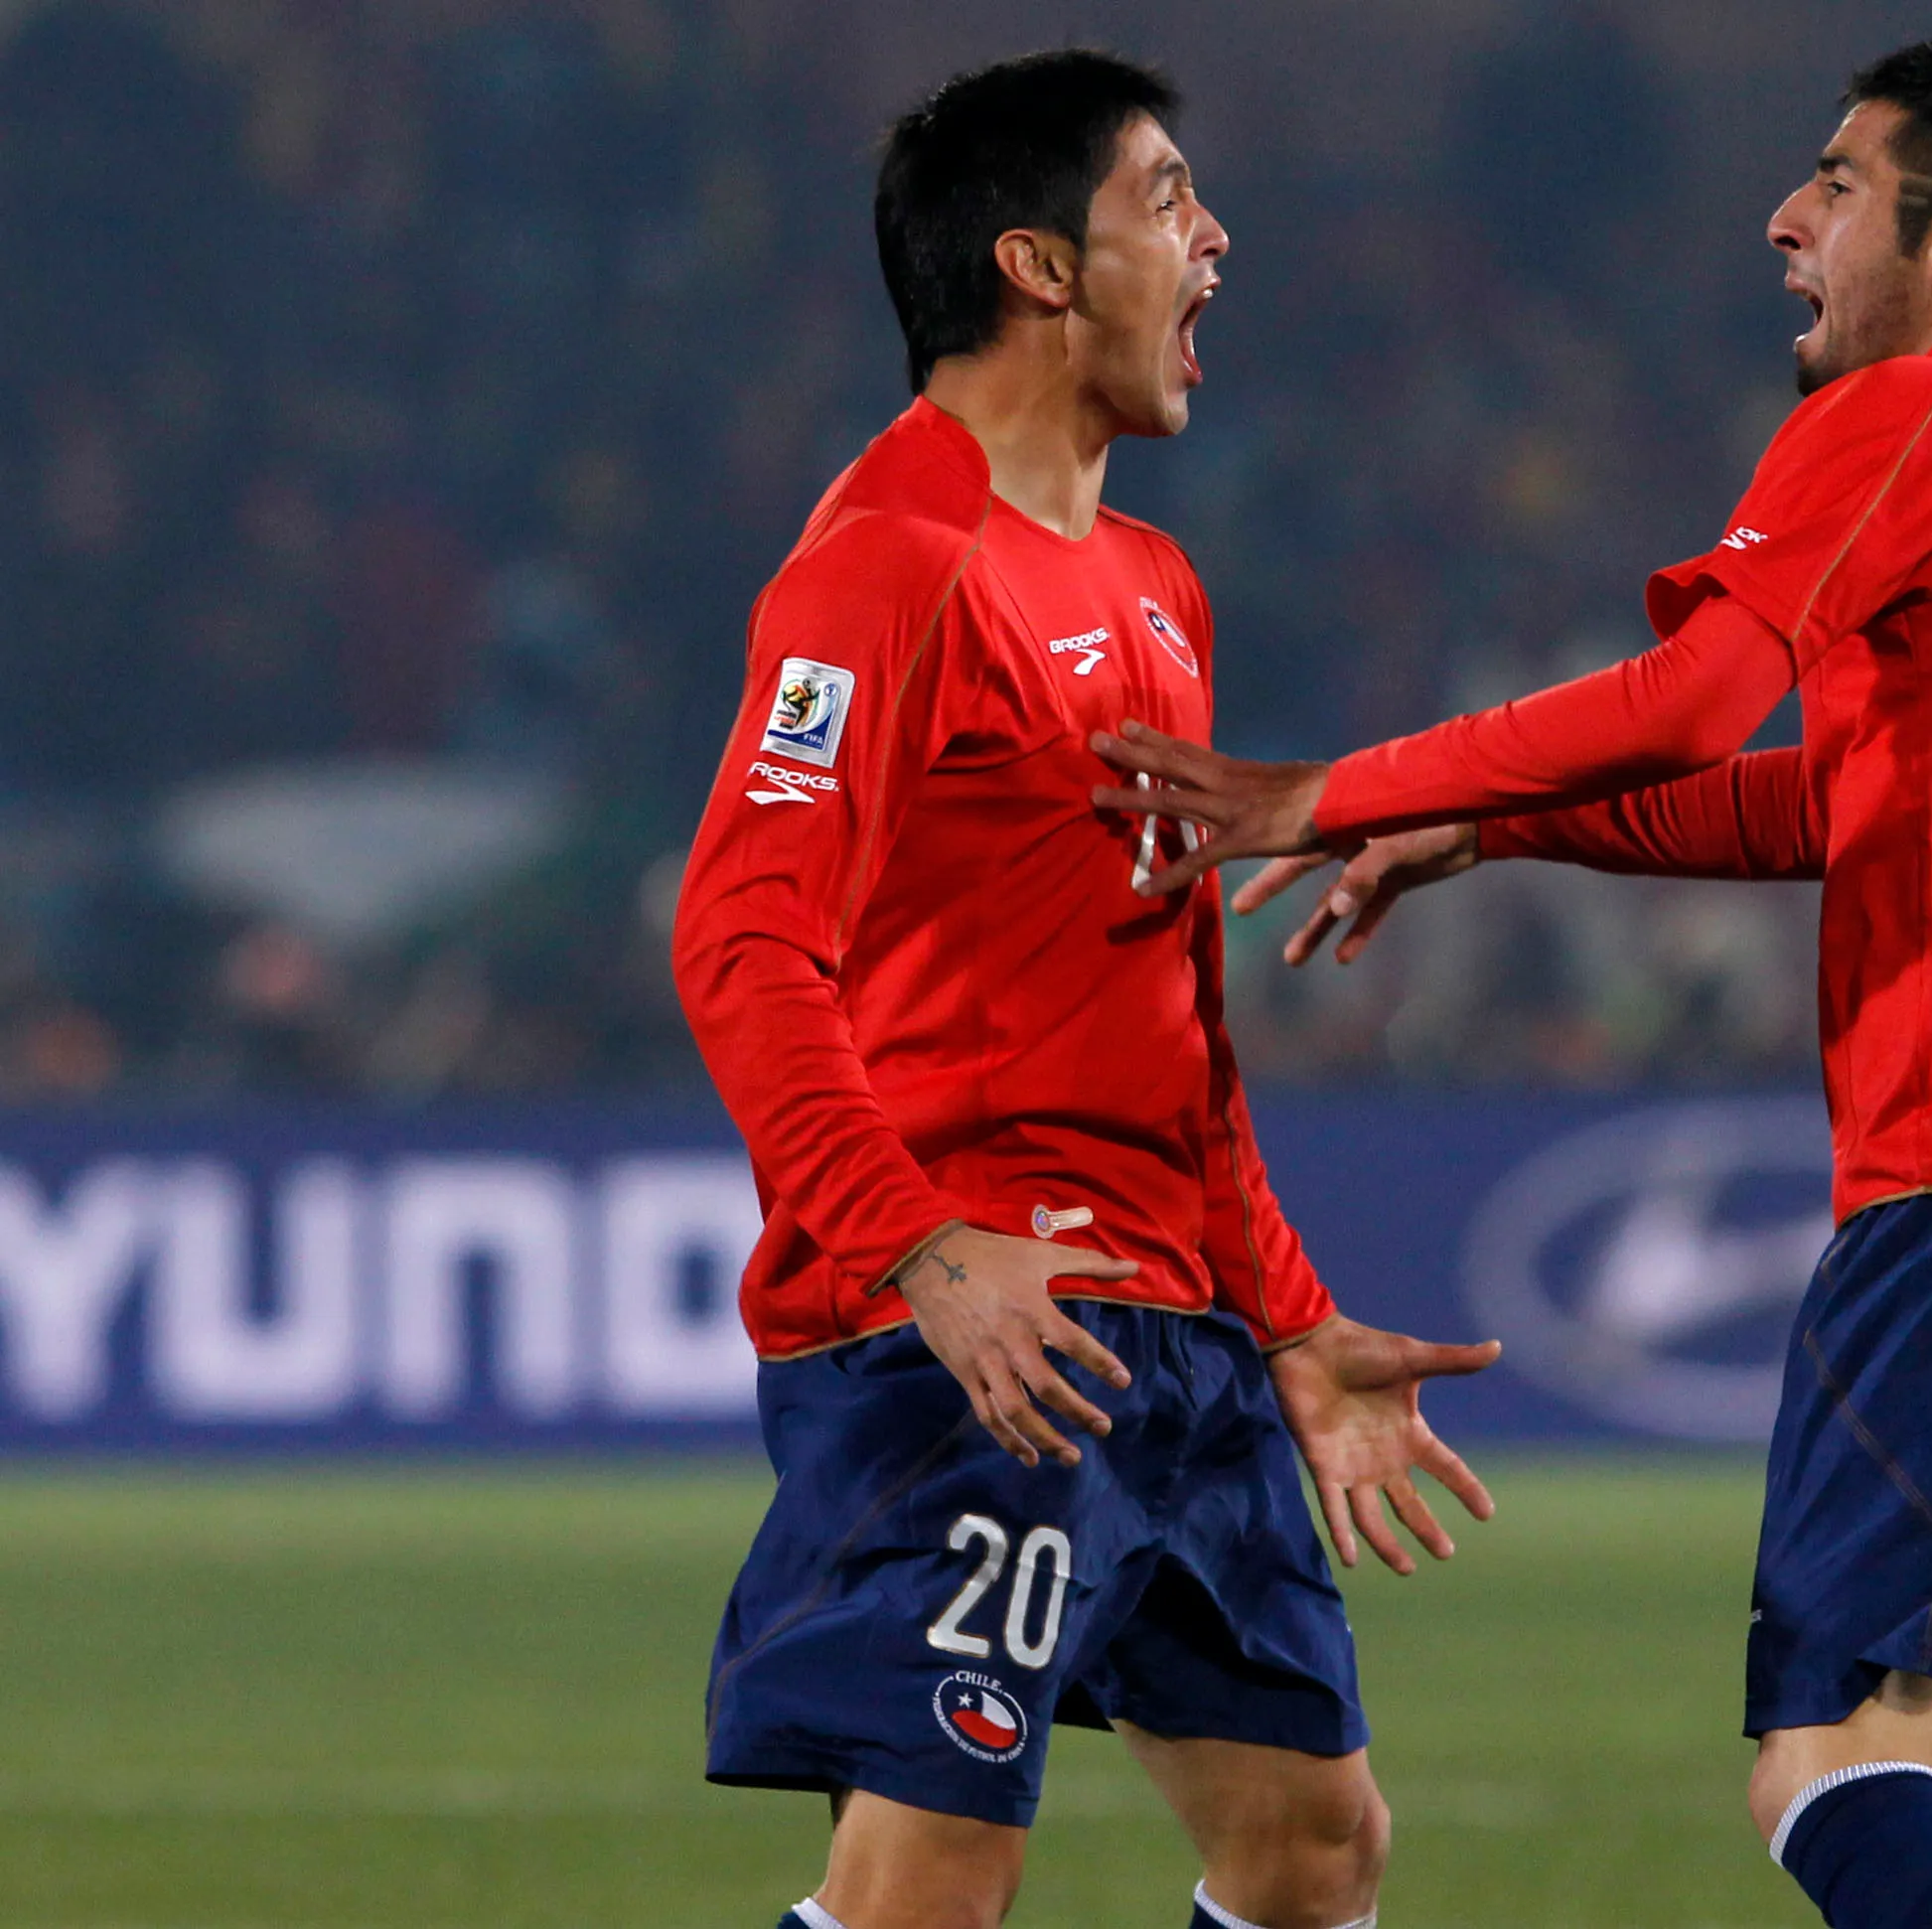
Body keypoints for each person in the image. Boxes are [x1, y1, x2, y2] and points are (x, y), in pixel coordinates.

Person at [1090, 34, 1932, 1929]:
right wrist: (1501, 829)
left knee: (1834, 1765)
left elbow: (1694, 696)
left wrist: (1330, 789)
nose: (1786, 216)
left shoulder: (1928, 410)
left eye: (1834, 181)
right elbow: (1843, 793)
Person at [673, 51, 1498, 1929]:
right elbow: (741, 935)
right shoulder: (885, 564)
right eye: (1171, 202)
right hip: (990, 1334)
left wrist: (1283, 1316)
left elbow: (1168, 1008)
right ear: (1042, 267)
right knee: (932, 1879)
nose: (1217, 241)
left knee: (1312, 1843)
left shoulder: (1153, 582)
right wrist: (919, 1247)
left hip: (1174, 1325)